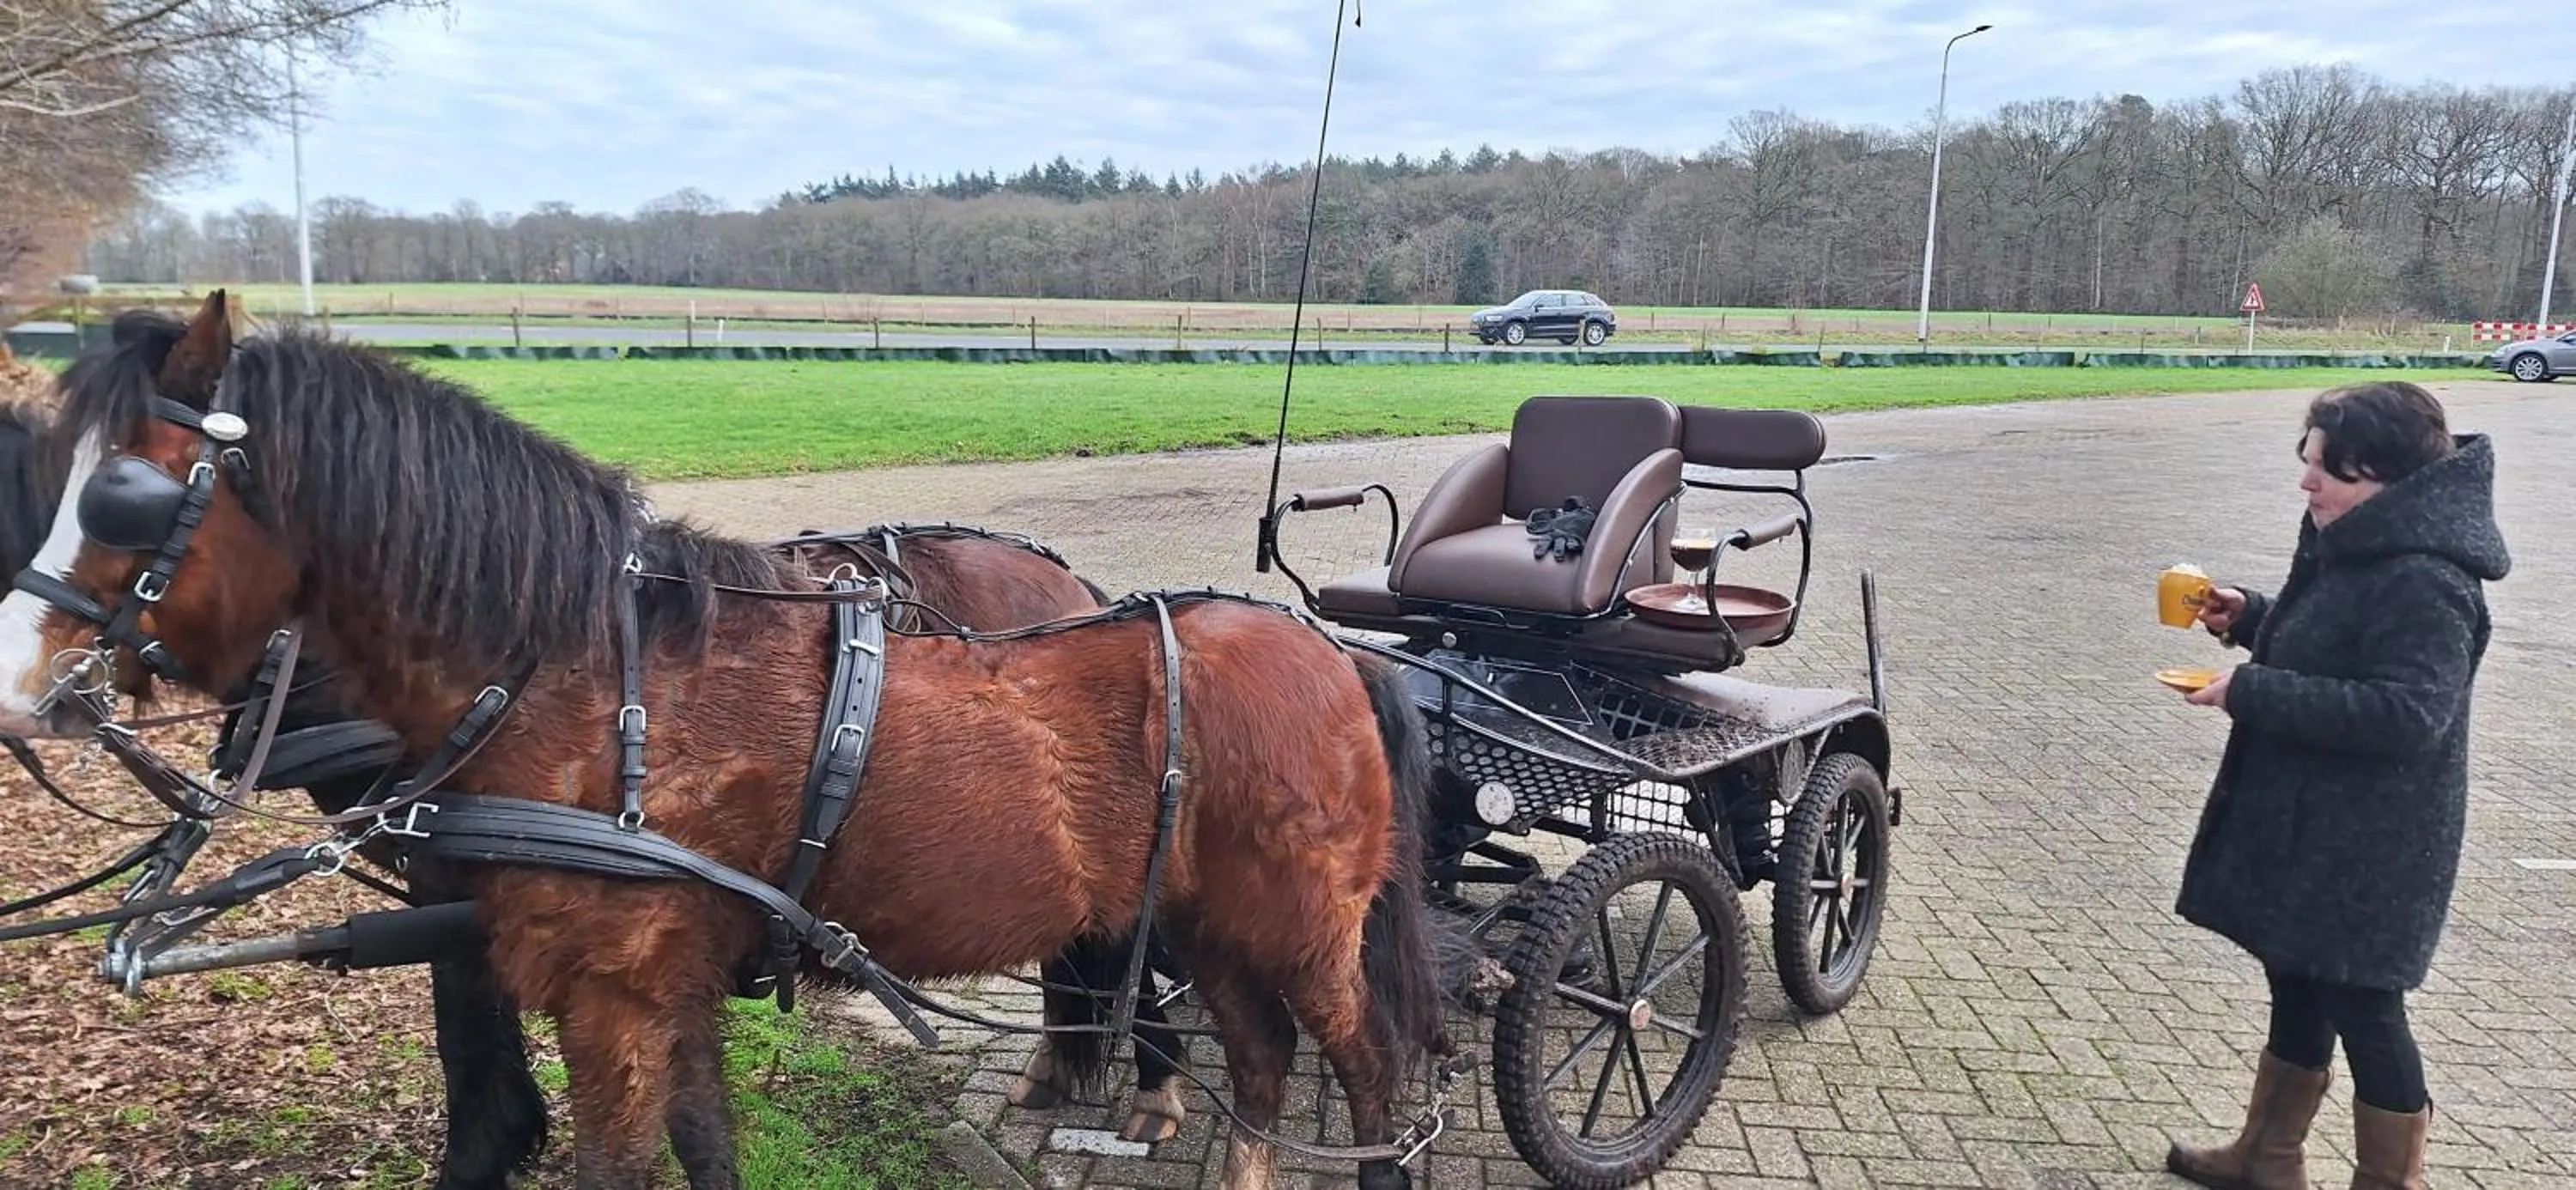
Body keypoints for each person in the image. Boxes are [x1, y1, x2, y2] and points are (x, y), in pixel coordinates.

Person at [2161, 380, 2508, 1190]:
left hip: (2373, 843)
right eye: (2308, 462)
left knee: (2365, 1007)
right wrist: (2249, 614)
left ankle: (2392, 1182)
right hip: (2313, 826)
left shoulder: (2429, 577)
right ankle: (2267, 1156)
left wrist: (2248, 689)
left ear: (2388, 480)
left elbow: (2407, 713)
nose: (2308, 483)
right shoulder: (2351, 538)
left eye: (2330, 471)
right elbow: (2341, 641)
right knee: (2296, 973)